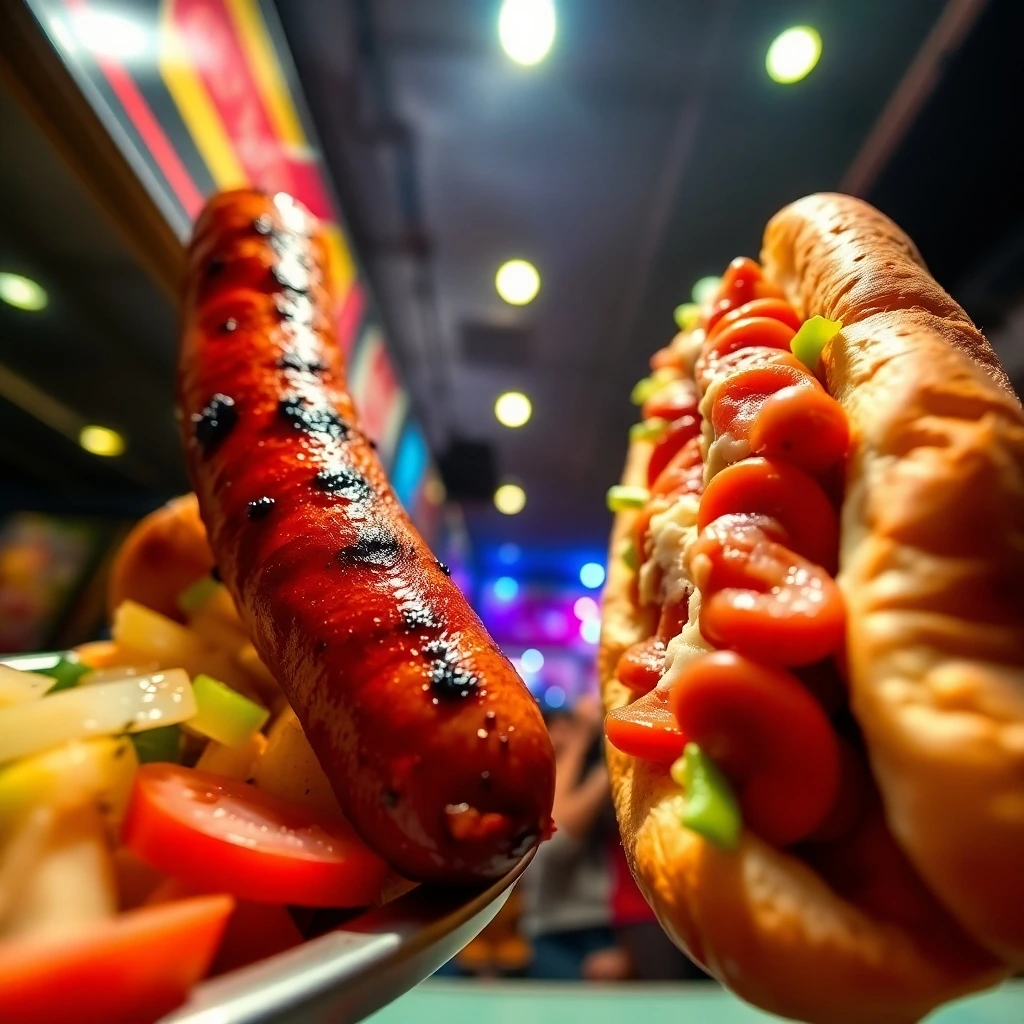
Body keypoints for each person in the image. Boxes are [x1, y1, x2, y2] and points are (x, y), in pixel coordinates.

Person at [519, 696, 629, 981]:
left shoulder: (597, 773)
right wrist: (584, 740)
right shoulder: (532, 783)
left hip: (606, 926)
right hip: (551, 931)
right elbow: (556, 840)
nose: (560, 735)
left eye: (566, 727)